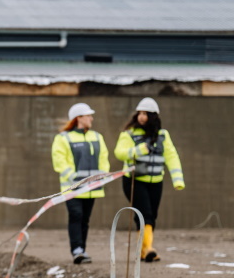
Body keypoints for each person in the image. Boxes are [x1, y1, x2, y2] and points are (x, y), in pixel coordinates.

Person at [114, 97, 184, 262]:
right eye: (140, 113)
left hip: (156, 182)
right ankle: (149, 248)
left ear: (154, 116)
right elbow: (120, 152)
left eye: (146, 113)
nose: (142, 117)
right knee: (145, 213)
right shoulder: (129, 134)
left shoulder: (163, 136)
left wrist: (178, 179)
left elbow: (172, 157)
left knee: (150, 215)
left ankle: (144, 250)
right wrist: (137, 150)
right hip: (134, 181)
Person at [51, 102, 110, 264]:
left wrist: (102, 176)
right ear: (79, 118)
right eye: (88, 115)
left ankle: (82, 250)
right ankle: (77, 250)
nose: (91, 118)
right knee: (76, 215)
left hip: (92, 189)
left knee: (85, 219)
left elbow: (103, 158)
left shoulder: (97, 137)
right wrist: (73, 177)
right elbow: (59, 161)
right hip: (73, 189)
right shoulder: (63, 138)